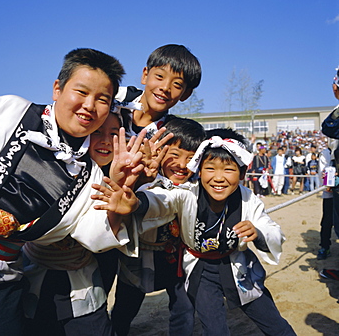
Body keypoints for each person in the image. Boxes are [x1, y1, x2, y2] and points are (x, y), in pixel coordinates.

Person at [0, 48, 132, 335]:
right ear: (57, 89)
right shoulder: (11, 111)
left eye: (102, 99)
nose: (89, 106)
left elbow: (93, 236)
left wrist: (119, 197)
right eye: (81, 92)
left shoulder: (90, 174)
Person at [93, 128, 296, 336]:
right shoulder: (187, 194)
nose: (218, 178)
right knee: (214, 328)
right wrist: (136, 203)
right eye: (210, 168)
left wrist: (257, 231)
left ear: (243, 173)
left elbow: (271, 228)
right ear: (199, 170)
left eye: (228, 170)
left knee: (273, 322)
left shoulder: (248, 198)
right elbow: (162, 201)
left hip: (238, 265)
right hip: (201, 271)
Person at [111, 116, 205, 336]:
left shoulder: (195, 187)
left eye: (191, 159)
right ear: (159, 151)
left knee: (184, 305)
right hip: (138, 258)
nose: (182, 165)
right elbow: (146, 200)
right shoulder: (145, 178)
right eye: (174, 155)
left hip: (176, 258)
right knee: (126, 305)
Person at [115, 44, 202, 139]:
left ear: (186, 94)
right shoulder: (115, 97)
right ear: (145, 76)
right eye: (160, 76)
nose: (165, 88)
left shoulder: (170, 135)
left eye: (177, 84)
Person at [319, 66, 339, 279]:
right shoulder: (327, 150)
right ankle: (324, 245)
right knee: (329, 220)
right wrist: (329, 182)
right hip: (333, 185)